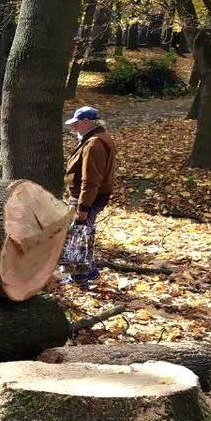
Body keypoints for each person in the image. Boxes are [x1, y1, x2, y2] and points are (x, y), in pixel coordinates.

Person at [63, 106, 118, 286]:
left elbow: (91, 180)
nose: (74, 127)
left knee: (78, 237)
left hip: (88, 199)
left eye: (76, 123)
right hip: (89, 198)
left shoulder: (94, 144)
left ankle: (80, 277)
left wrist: (83, 207)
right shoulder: (98, 138)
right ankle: (87, 272)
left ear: (86, 122)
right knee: (82, 235)